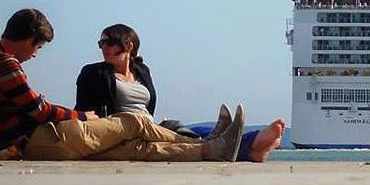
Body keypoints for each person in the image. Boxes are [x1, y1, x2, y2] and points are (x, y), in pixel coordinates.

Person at [0, 8, 244, 162]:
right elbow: (38, 110)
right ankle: (205, 141)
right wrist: (81, 116)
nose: (35, 54)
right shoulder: (5, 63)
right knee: (133, 122)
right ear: (27, 38)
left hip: (36, 142)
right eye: (38, 47)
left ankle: (211, 149)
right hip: (39, 139)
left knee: (137, 150)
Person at [75, 23, 285, 162]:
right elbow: (88, 115)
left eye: (109, 42)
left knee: (184, 129)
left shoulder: (142, 71)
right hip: (125, 130)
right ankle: (253, 143)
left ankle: (251, 149)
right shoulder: (94, 73)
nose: (103, 47)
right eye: (100, 43)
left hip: (150, 127)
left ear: (128, 45)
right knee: (185, 138)